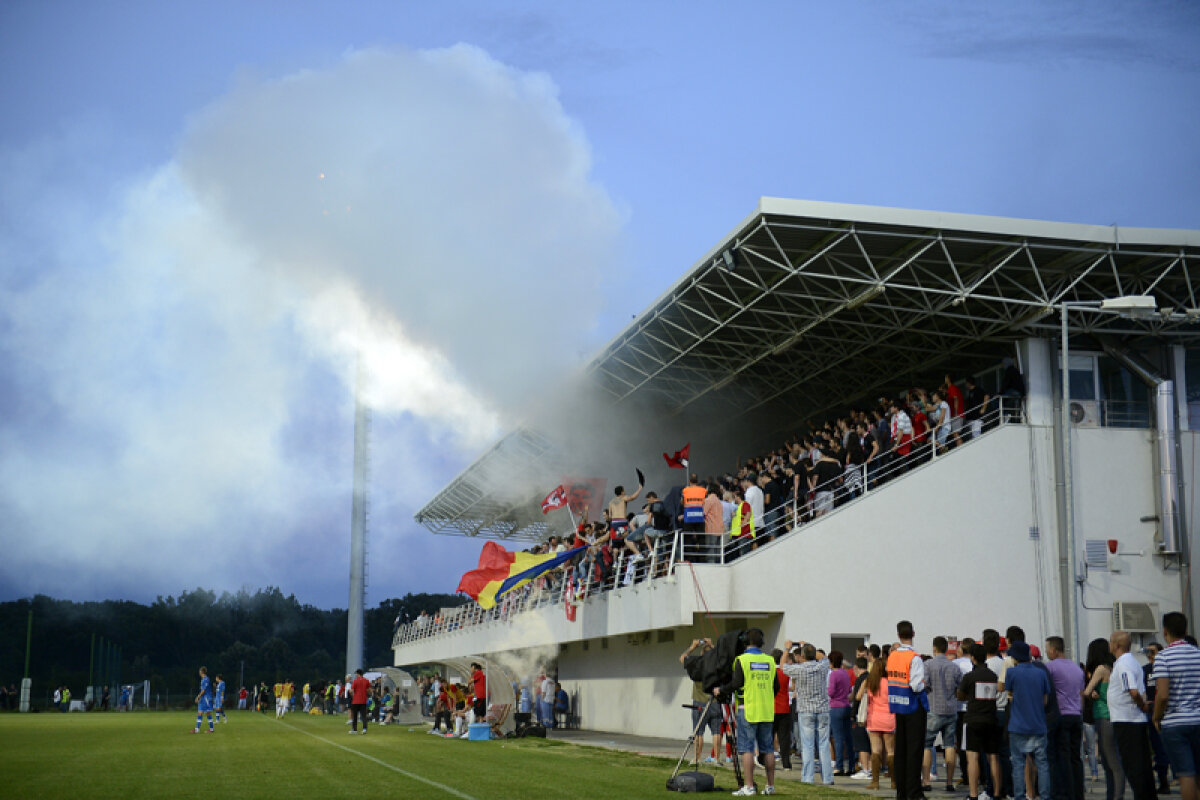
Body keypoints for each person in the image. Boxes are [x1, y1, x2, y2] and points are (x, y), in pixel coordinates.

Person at [715, 628, 779, 797]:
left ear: (745, 642)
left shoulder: (741, 660)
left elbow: (736, 683)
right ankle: (770, 786)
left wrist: (720, 690)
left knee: (747, 749)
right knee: (768, 749)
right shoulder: (770, 660)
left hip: (748, 708)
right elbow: (777, 687)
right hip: (766, 710)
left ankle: (749, 786)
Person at [1153, 611, 1200, 800]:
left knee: (1185, 774)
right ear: (1185, 630)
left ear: (1165, 631)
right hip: (1198, 718)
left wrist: (1157, 717)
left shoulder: (1163, 657)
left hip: (1174, 722)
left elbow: (1163, 695)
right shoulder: (1198, 654)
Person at [1109, 630, 1157, 800]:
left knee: (1134, 767)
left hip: (1127, 721)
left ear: (1116, 645)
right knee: (1142, 766)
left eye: (1110, 642)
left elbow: (1133, 691)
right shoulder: (1134, 662)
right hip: (1134, 720)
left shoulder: (1123, 664)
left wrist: (1141, 704)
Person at [1004, 641, 1052, 800]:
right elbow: (1045, 701)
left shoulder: (1012, 672)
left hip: (1017, 725)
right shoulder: (1041, 673)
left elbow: (1009, 692)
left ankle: (1019, 796)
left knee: (1018, 764)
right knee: (1042, 764)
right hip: (1038, 724)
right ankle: (1045, 796)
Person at [888, 620, 928, 800]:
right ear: (913, 633)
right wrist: (925, 685)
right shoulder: (915, 658)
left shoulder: (893, 656)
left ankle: (901, 791)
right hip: (913, 705)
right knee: (914, 751)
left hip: (897, 703)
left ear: (898, 635)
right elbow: (916, 685)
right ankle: (914, 792)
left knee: (901, 751)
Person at [958, 643, 1002, 800]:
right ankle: (997, 793)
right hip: (991, 718)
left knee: (973, 757)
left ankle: (973, 794)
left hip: (973, 719)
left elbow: (960, 695)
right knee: (993, 757)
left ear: (973, 658)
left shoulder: (969, 677)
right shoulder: (992, 676)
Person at [1084, 637, 1125, 800]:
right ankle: (1113, 794)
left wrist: (1091, 693)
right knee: (1110, 760)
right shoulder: (1114, 667)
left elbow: (1087, 691)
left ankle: (1116, 796)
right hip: (1113, 715)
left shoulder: (1101, 669)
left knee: (1111, 761)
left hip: (1104, 716)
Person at [1044, 637, 1085, 800]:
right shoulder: (1077, 668)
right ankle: (1077, 793)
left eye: (1047, 649)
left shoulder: (1051, 667)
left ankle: (1063, 793)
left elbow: (1045, 691)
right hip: (1076, 715)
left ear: (1054, 650)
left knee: (1061, 757)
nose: (1046, 652)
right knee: (1076, 757)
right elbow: (1081, 694)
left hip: (1060, 715)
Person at [924, 636, 962, 792]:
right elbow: (960, 687)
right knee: (949, 745)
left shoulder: (928, 665)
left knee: (926, 744)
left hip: (933, 708)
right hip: (951, 709)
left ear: (934, 648)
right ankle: (949, 782)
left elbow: (924, 684)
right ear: (946, 649)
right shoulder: (954, 667)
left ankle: (926, 781)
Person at [681, 639, 724, 765]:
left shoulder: (696, 665)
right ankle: (716, 759)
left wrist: (692, 646)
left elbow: (683, 658)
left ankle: (697, 758)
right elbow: (722, 657)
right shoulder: (717, 666)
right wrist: (712, 645)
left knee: (698, 732)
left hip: (699, 702)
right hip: (714, 702)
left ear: (702, 655)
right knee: (716, 731)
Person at [861, 652, 896, 790]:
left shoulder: (871, 682)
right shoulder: (891, 683)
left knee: (875, 750)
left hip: (874, 718)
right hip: (889, 718)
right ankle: (894, 781)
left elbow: (858, 697)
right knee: (891, 751)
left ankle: (875, 782)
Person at [828, 650, 854, 776]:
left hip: (836, 706)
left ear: (832, 662)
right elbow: (849, 689)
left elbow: (831, 692)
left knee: (837, 738)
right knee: (848, 738)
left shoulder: (834, 674)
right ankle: (851, 765)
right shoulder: (845, 673)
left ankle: (839, 766)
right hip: (846, 705)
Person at [773, 649, 794, 771]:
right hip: (785, 707)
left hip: (772, 708)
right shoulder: (785, 672)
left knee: (769, 737)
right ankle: (786, 763)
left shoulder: (771, 672)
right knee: (784, 738)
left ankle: (768, 760)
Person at [192, 666, 215, 734]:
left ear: (201, 672)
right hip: (203, 699)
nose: (199, 673)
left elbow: (203, 690)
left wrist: (198, 697)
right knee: (200, 712)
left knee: (207, 713)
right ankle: (197, 729)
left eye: (199, 671)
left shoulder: (205, 679)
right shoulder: (204, 679)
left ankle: (211, 729)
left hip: (206, 699)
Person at [349, 668, 370, 735]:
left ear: (358, 674)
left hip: (356, 701)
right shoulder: (366, 681)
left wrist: (352, 695)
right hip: (363, 700)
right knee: (364, 716)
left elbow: (351, 691)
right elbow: (369, 690)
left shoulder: (355, 681)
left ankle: (355, 730)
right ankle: (364, 729)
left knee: (355, 716)